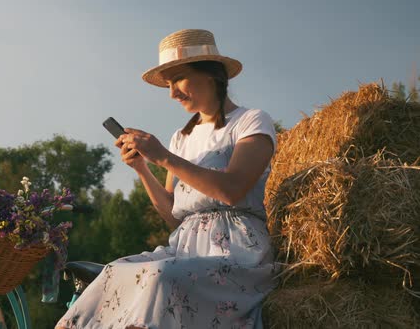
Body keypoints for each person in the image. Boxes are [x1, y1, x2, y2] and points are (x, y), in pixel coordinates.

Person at [56, 29, 278, 329]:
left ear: (211, 74)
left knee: (161, 277)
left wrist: (164, 158)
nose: (172, 93)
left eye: (178, 79)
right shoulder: (182, 137)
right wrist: (142, 169)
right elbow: (175, 216)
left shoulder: (251, 121)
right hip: (185, 247)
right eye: (168, 84)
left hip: (237, 251)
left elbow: (233, 189)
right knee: (114, 272)